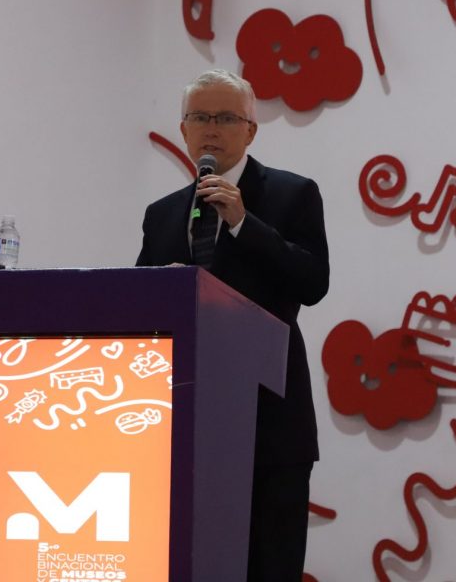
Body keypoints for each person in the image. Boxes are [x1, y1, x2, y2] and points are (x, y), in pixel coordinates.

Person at [136, 69, 330, 581]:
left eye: (225, 118)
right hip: (184, 421)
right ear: (184, 129)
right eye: (200, 117)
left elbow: (313, 282)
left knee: (269, 567)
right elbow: (137, 303)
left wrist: (245, 223)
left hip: (269, 421)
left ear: (250, 131)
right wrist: (165, 289)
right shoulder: (161, 214)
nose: (211, 129)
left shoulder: (292, 194)